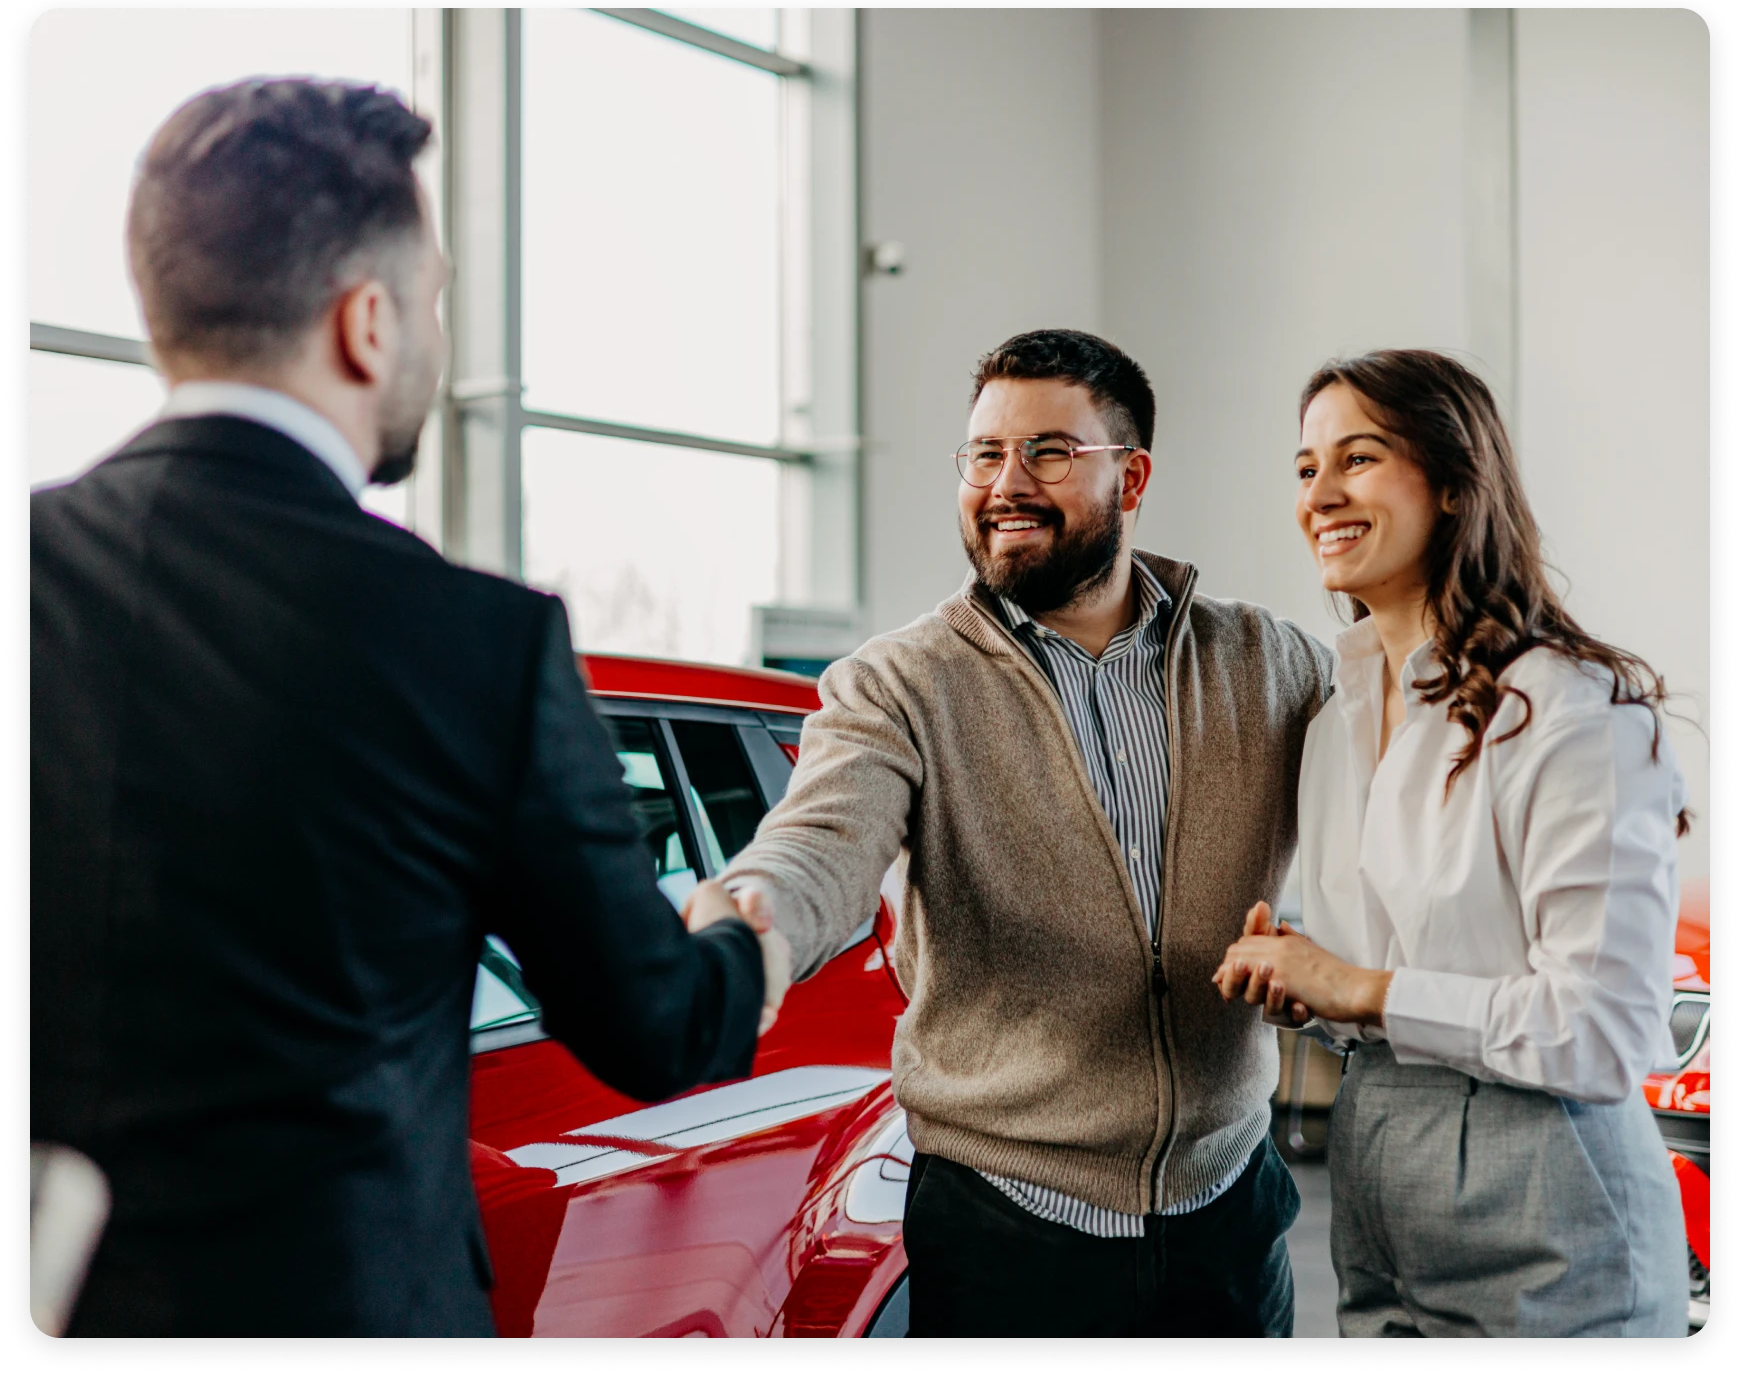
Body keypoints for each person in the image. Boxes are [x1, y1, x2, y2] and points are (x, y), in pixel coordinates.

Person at [29, 79, 790, 1339]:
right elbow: (660, 1030)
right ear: (367, 322)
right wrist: (742, 938)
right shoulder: (473, 643)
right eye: (435, 296)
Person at [708, 329, 1335, 1338]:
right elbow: (820, 840)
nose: (1006, 483)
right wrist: (752, 920)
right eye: (986, 453)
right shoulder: (899, 684)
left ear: (1131, 477)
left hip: (1229, 1216)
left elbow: (1406, 801)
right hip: (1010, 1232)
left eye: (1048, 451)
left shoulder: (1270, 663)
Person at [1213, 349, 1689, 1337]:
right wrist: (1314, 984)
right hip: (1379, 1155)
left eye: (1358, 459)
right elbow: (1393, 974)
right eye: (1305, 468)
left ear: (1455, 484)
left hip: (1548, 1180)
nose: (1320, 494)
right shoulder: (1333, 715)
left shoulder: (1565, 706)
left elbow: (1603, 1030)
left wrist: (1363, 988)